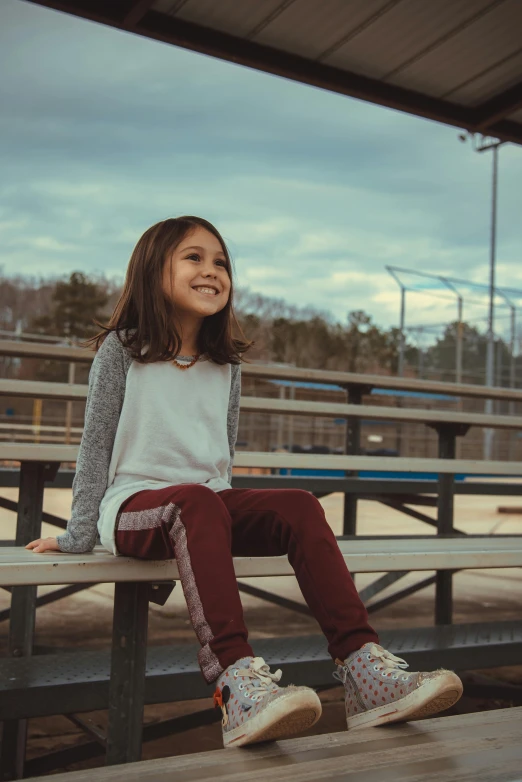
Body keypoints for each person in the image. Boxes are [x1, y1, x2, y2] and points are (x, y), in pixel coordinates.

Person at [26, 216, 463, 747]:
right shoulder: (123, 350)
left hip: (202, 509)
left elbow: (221, 458)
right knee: (196, 504)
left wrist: (210, 538)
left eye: (221, 262)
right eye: (194, 258)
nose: (212, 270)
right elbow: (94, 447)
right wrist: (77, 534)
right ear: (152, 268)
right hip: (133, 506)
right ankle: (236, 685)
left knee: (297, 504)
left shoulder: (225, 364)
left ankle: (365, 671)